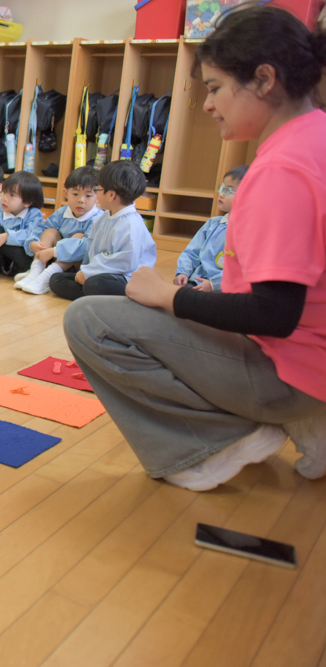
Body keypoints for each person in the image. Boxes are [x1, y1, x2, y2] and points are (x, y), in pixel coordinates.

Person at [63, 6, 326, 491]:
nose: (206, 105)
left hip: (291, 374)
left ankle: (215, 443)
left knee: (89, 319)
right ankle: (309, 420)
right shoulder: (316, 136)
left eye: (215, 88)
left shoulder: (282, 169)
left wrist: (169, 296)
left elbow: (275, 315)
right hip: (311, 365)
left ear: (264, 79)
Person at [48, 161, 156, 300]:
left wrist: (89, 272)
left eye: (97, 190)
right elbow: (91, 251)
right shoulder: (103, 218)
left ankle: (116, 296)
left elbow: (125, 263)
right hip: (100, 274)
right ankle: (95, 296)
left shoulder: (131, 224)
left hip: (125, 278)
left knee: (95, 284)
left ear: (111, 195)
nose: (96, 194)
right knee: (56, 279)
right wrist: (85, 271)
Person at [15, 165, 103, 294]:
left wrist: (55, 251)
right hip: (54, 257)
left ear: (98, 197)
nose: (81, 200)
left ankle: (45, 278)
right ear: (66, 193)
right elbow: (42, 228)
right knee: (50, 231)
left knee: (78, 236)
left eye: (88, 195)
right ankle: (35, 271)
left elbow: (86, 246)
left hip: (80, 265)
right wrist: (33, 242)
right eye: (75, 194)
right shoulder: (62, 212)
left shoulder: (98, 218)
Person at [174, 165, 248, 292]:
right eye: (222, 188)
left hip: (224, 289)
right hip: (196, 281)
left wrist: (214, 284)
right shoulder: (213, 224)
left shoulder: (250, 232)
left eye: (228, 190)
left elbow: (240, 270)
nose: (221, 194)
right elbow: (191, 252)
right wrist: (183, 272)